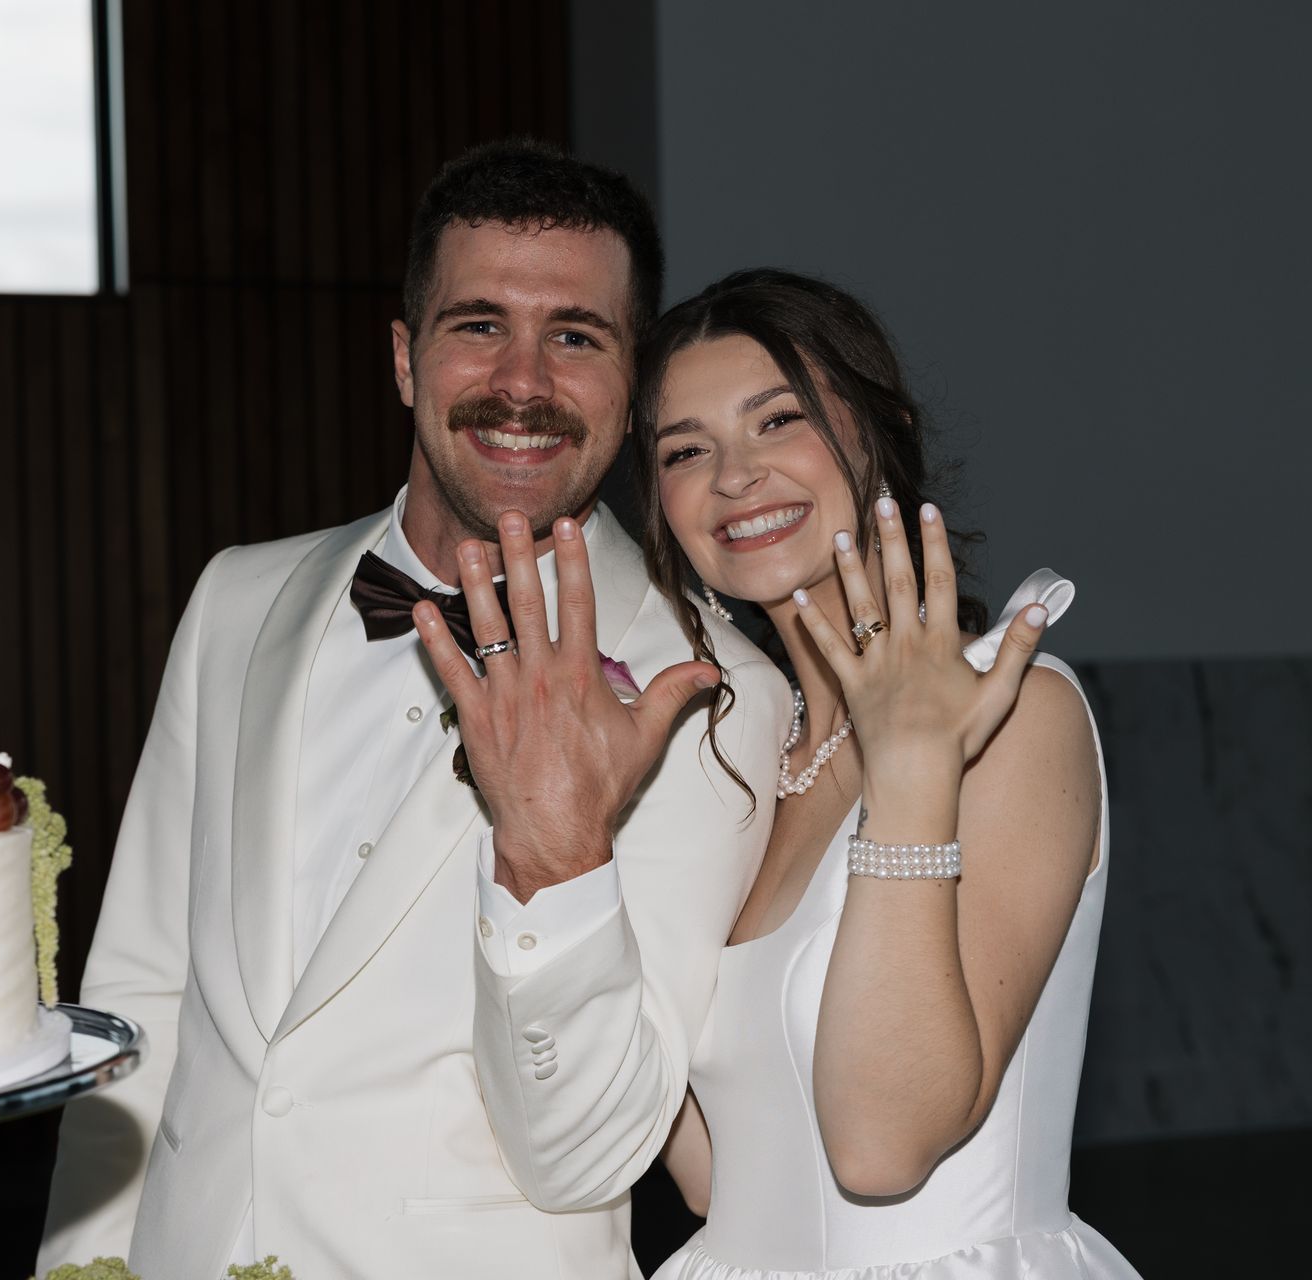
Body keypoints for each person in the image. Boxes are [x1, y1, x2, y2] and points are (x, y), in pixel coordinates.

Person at [36, 143, 790, 1280]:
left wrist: (558, 854)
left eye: (575, 336)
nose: (524, 381)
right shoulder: (239, 597)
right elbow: (143, 989)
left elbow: (587, 1151)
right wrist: (85, 1262)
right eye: (478, 324)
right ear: (404, 356)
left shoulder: (718, 696)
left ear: (630, 387)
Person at [432, 268, 1138, 1277]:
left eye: (777, 422)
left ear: (876, 432)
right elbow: (716, 1172)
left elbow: (883, 1146)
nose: (733, 476)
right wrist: (579, 838)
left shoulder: (1009, 704)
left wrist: (907, 777)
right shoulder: (742, 757)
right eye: (686, 450)